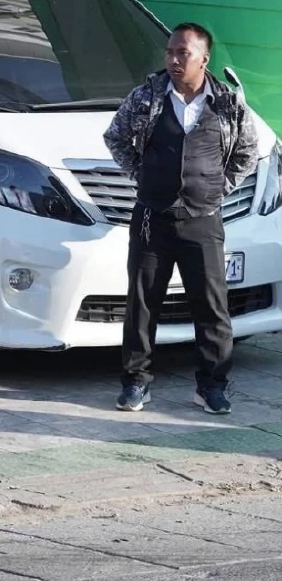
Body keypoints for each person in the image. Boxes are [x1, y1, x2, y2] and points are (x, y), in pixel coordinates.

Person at [104, 23, 259, 415]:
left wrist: (218, 187)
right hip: (152, 218)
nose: (173, 59)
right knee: (142, 304)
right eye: (170, 52)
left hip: (203, 219)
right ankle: (136, 383)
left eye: (183, 53)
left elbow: (247, 151)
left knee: (211, 306)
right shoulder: (147, 97)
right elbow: (116, 137)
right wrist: (143, 174)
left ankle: (211, 386)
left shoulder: (226, 103)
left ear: (203, 60)